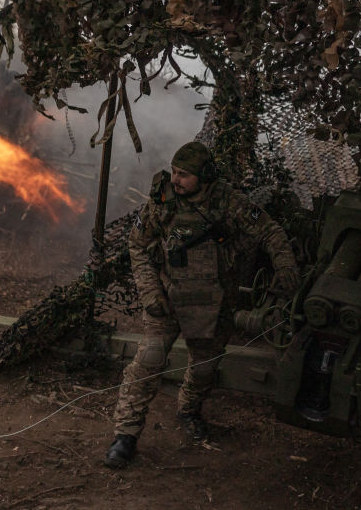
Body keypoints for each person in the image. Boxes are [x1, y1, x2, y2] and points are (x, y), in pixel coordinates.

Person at [104, 141, 299, 468]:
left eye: (184, 175)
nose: (176, 180)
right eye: (175, 172)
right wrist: (150, 293)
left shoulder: (229, 203)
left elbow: (271, 232)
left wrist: (287, 269)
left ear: (205, 176)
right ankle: (125, 435)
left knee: (205, 367)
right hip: (167, 299)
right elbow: (138, 246)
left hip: (212, 304)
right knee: (148, 361)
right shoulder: (163, 201)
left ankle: (189, 410)